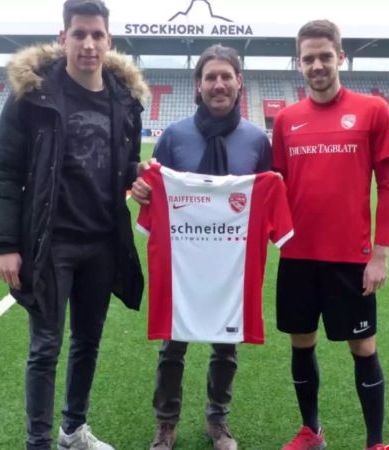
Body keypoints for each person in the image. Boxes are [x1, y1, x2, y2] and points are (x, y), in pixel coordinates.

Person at [0, 1, 148, 449]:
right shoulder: (34, 94)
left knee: (87, 343)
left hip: (102, 242)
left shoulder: (125, 100)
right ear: (63, 39)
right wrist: (5, 243)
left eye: (97, 35)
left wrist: (139, 178)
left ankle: (73, 431)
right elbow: (5, 170)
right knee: (45, 348)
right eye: (79, 34)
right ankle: (37, 442)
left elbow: (126, 163)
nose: (89, 44)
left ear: (109, 41)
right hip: (49, 243)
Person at [131, 44, 272, 450]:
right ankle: (166, 421)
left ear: (239, 82)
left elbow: (266, 198)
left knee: (226, 348)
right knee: (172, 346)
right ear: (198, 85)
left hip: (230, 265)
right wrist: (143, 192)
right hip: (182, 264)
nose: (219, 84)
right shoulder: (174, 137)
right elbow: (153, 191)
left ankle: (217, 419)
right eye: (210, 77)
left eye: (226, 76)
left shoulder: (257, 141)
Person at [272, 20, 389, 450]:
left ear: (341, 57)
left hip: (351, 259)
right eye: (308, 58)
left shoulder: (373, 110)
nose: (317, 65)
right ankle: (312, 431)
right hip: (298, 259)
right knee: (301, 345)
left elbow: (388, 185)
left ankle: (375, 442)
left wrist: (379, 254)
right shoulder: (286, 120)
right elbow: (277, 188)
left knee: (363, 349)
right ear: (298, 63)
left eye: (325, 56)